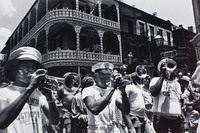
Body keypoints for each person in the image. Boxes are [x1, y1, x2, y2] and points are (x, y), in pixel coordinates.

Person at [0, 47, 59, 133]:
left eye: (33, 67)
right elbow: (2, 122)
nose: (30, 70)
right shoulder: (3, 92)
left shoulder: (38, 93)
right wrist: (30, 89)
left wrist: (49, 98)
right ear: (15, 69)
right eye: (25, 66)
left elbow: (55, 121)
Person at [82, 62, 135, 133]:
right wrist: (112, 88)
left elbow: (126, 110)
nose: (106, 79)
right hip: (96, 130)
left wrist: (123, 91)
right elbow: (94, 109)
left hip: (113, 129)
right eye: (103, 76)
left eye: (108, 76)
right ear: (95, 78)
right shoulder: (88, 90)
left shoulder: (113, 91)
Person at [149, 58, 183, 133]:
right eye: (164, 67)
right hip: (161, 118)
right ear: (161, 69)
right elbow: (153, 92)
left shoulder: (177, 84)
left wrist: (182, 117)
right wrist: (162, 76)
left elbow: (179, 101)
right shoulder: (155, 80)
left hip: (176, 119)